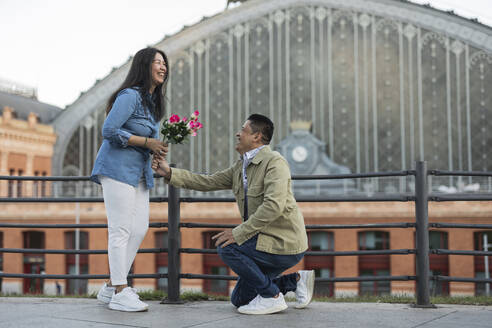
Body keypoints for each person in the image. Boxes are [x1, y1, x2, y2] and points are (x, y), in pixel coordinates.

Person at [152, 114, 314, 315]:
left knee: (227, 246)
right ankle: (295, 281)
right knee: (240, 299)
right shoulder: (241, 167)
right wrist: (169, 173)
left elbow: (273, 206)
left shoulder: (275, 162)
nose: (238, 133)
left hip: (283, 242)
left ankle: (272, 297)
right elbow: (208, 181)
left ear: (257, 136)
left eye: (243, 130)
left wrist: (238, 234)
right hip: (262, 240)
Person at [90, 47, 169, 312]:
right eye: (157, 62)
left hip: (138, 172)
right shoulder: (130, 96)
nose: (163, 67)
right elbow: (109, 130)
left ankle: (111, 286)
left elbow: (147, 142)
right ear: (144, 66)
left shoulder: (151, 104)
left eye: (164, 63)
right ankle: (121, 291)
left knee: (139, 228)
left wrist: (156, 153)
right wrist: (148, 141)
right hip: (117, 168)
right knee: (121, 229)